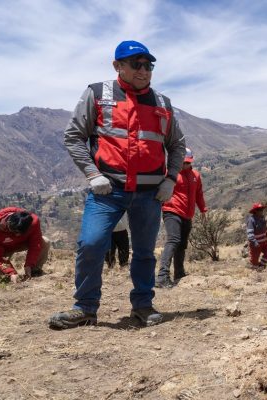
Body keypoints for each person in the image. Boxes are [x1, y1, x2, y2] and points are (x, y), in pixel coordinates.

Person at [49, 40, 185, 329]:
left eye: (148, 65)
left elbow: (177, 146)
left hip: (149, 193)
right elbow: (74, 136)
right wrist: (91, 174)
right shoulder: (97, 94)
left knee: (145, 252)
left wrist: (171, 179)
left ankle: (143, 306)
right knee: (91, 244)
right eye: (136, 64)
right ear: (117, 66)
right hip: (107, 190)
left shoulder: (162, 103)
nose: (143, 70)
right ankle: (85, 307)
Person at [156, 148, 208, 288]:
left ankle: (179, 273)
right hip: (171, 211)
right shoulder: (170, 174)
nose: (184, 165)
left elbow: (199, 194)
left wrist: (203, 210)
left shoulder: (195, 175)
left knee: (182, 244)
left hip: (187, 214)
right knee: (173, 240)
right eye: (182, 162)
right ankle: (162, 277)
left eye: (187, 162)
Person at [0, 207, 50, 283]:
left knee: (45, 241)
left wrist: (29, 265)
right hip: (1, 250)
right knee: (2, 277)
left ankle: (34, 271)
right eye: (15, 232)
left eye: (21, 233)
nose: (17, 235)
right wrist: (11, 273)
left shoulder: (32, 221)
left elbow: (35, 244)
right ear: (9, 223)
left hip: (18, 244)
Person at [246, 202, 267, 269]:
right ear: (255, 211)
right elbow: (250, 233)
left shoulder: (262, 218)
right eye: (260, 210)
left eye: (262, 209)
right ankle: (255, 271)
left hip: (264, 242)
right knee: (254, 260)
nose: (262, 211)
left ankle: (262, 266)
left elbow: (265, 229)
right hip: (256, 243)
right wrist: (254, 242)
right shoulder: (251, 220)